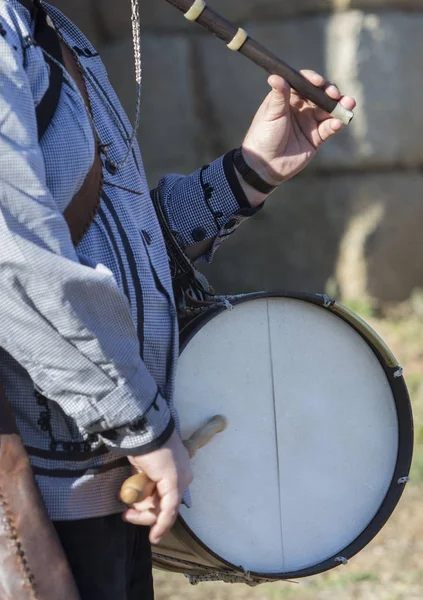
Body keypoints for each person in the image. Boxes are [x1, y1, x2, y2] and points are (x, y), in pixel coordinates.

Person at [0, 0, 356, 598]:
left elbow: (103, 248)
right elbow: (16, 261)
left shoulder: (47, 26)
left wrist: (248, 174)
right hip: (35, 491)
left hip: (107, 479)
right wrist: (137, 421)